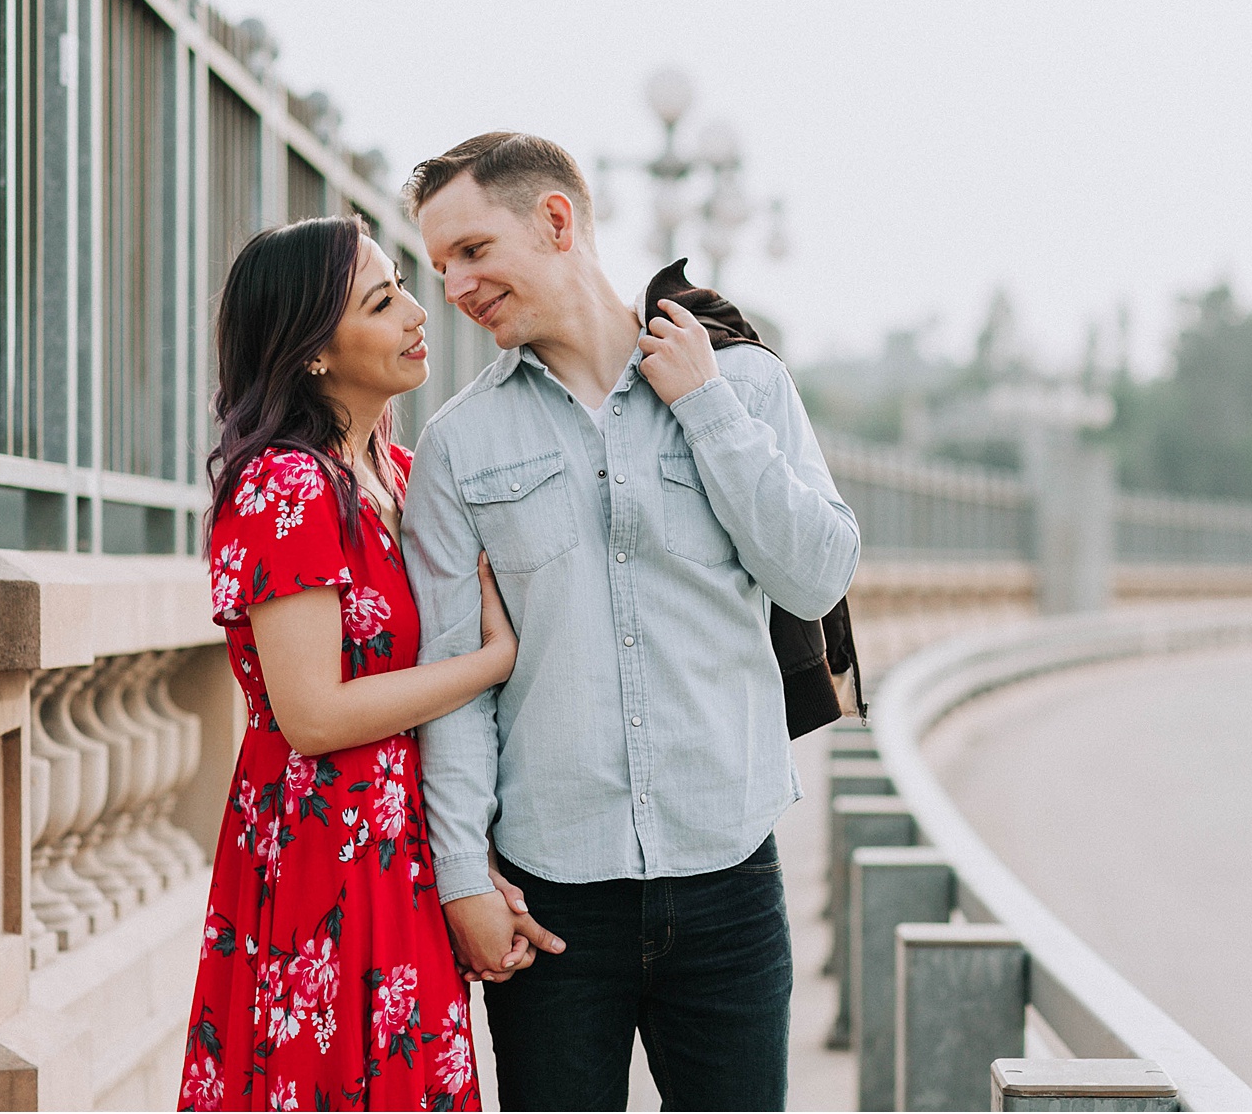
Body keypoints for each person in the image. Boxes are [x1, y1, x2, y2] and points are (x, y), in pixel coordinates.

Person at [400, 132, 861, 1111]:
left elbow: (815, 577)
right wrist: (458, 878)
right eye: (439, 266)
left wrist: (705, 410)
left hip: (731, 877)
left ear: (557, 220)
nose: (455, 285)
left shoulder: (744, 388)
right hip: (550, 898)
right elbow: (453, 678)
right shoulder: (455, 448)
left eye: (474, 251)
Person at [178, 215, 554, 1112]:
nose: (419, 312)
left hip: (400, 846)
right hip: (322, 852)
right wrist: (489, 661)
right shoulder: (288, 485)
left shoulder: (401, 473)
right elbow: (310, 714)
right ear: (312, 351)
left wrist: (471, 862)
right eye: (382, 302)